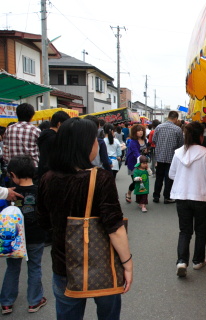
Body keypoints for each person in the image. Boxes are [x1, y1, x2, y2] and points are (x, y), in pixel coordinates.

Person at [37, 117, 132, 319]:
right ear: (85, 145)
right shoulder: (101, 178)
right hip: (103, 263)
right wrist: (127, 263)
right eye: (94, 140)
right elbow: (114, 227)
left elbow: (44, 222)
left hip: (63, 264)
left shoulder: (47, 178)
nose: (97, 143)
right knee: (109, 313)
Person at [169, 121, 206, 277]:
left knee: (184, 230)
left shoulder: (178, 153)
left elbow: (171, 174)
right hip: (201, 196)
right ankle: (198, 261)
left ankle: (182, 261)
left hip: (182, 196)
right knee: (200, 230)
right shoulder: (205, 153)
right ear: (200, 136)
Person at [0, 156, 47, 315]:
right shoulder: (40, 190)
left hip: (13, 237)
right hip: (36, 236)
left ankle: (6, 303)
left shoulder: (9, 193)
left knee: (12, 268)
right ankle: (34, 301)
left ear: (13, 174)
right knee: (34, 267)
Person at [152, 111, 184, 204]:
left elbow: (154, 140)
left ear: (168, 117)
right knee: (169, 178)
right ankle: (167, 197)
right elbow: (181, 144)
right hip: (171, 157)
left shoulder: (159, 127)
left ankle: (156, 196)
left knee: (159, 177)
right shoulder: (177, 129)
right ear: (175, 119)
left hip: (159, 157)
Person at [3, 103, 40, 169]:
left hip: (14, 168)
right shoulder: (36, 130)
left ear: (17, 114)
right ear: (32, 116)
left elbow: (5, 151)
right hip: (31, 168)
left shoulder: (9, 129)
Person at [37, 110, 71, 180]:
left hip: (42, 172)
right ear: (59, 124)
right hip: (51, 175)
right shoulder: (55, 138)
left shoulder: (44, 135)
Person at [125, 124, 148, 203]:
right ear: (135, 132)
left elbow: (145, 150)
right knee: (136, 181)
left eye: (142, 130)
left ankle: (141, 200)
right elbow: (136, 153)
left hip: (142, 163)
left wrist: (146, 151)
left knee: (143, 180)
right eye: (138, 130)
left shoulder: (144, 140)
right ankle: (129, 193)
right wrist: (143, 159)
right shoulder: (132, 141)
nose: (141, 132)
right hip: (133, 163)